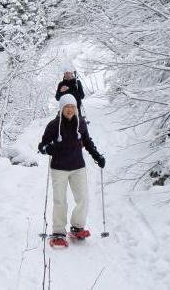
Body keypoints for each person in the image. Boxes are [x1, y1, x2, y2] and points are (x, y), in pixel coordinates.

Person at [38, 94, 105, 244]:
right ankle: (58, 232)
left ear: (76, 108)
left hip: (77, 167)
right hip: (59, 168)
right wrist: (48, 148)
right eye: (66, 107)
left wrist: (97, 156)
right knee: (60, 201)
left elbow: (87, 142)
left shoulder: (81, 123)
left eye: (72, 107)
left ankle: (77, 227)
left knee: (83, 198)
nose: (69, 109)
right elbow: (41, 146)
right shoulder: (54, 125)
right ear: (61, 108)